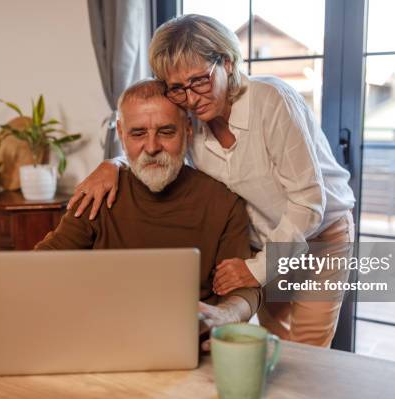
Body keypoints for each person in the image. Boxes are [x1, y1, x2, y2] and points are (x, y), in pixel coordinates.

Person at [68, 15, 355, 347]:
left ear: (228, 63)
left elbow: (308, 203)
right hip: (265, 240)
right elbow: (156, 145)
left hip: (320, 235)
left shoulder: (271, 101)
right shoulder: (192, 122)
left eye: (199, 80)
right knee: (278, 343)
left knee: (308, 351)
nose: (191, 98)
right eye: (177, 88)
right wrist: (114, 163)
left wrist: (257, 270)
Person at [35, 79, 261, 349]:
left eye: (166, 132)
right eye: (138, 133)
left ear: (188, 129)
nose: (152, 147)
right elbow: (43, 263)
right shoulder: (98, 191)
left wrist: (228, 314)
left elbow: (244, 287)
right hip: (102, 338)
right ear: (121, 133)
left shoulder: (224, 202)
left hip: (187, 345)